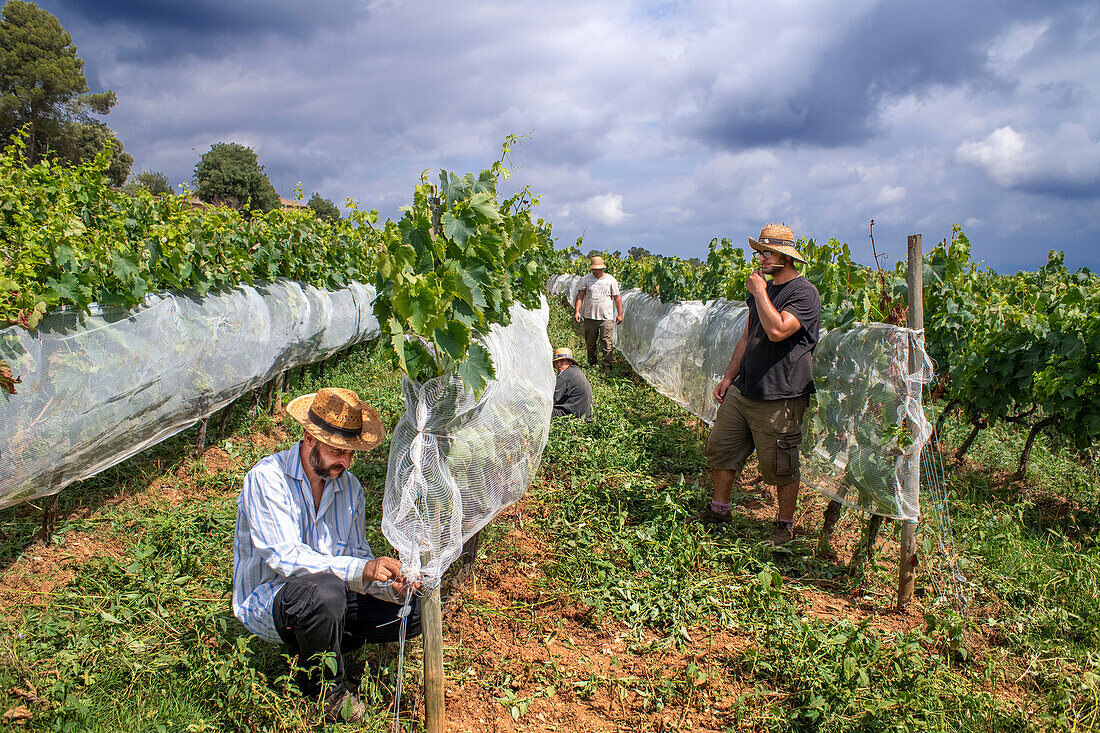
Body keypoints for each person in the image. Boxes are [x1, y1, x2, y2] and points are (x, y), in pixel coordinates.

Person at [232, 387, 421, 722]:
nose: (345, 462)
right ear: (309, 438)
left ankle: (318, 643)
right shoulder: (267, 479)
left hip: (328, 599)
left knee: (414, 609)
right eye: (337, 451)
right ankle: (326, 689)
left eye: (350, 453)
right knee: (325, 591)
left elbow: (355, 557)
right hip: (274, 600)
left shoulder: (350, 489)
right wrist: (361, 569)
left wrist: (390, 585)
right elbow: (285, 558)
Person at [696, 223, 821, 546]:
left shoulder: (802, 293)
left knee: (780, 464)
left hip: (780, 395)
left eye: (767, 252)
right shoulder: (762, 291)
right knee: (721, 449)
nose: (761, 258)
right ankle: (720, 508)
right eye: (760, 252)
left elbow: (778, 329)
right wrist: (728, 376)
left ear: (785, 256)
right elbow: (748, 335)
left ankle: (784, 526)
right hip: (745, 387)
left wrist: (761, 292)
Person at [573, 256, 624, 370]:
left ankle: (607, 367)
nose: (595, 271)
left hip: (606, 318)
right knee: (590, 342)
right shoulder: (586, 279)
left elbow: (617, 298)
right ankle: (592, 363)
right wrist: (577, 311)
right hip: (589, 317)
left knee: (606, 343)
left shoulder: (611, 280)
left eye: (598, 269)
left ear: (602, 268)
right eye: (593, 269)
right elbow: (580, 296)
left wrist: (620, 314)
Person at [551, 347, 593, 420]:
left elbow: (552, 399)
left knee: (541, 411)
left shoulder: (564, 376)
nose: (558, 364)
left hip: (573, 416)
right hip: (585, 416)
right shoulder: (575, 371)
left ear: (570, 361)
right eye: (556, 362)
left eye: (562, 361)